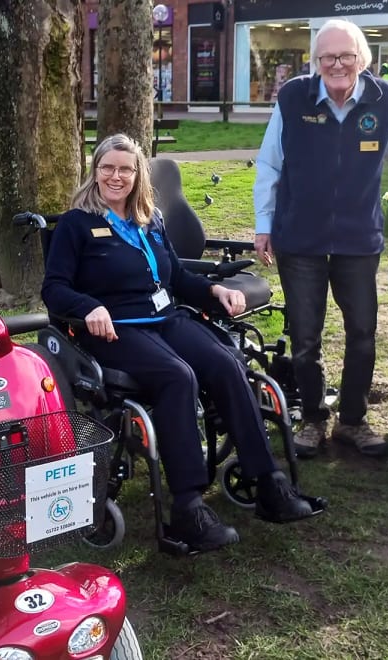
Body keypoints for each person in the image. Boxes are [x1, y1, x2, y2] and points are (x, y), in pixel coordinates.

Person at [42, 134, 318, 553]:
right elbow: (54, 288)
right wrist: (88, 307)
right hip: (115, 328)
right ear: (94, 171)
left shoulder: (150, 220)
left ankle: (269, 484)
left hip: (165, 319)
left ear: (138, 176)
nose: (116, 176)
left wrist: (213, 292)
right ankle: (187, 507)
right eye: (107, 168)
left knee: (228, 364)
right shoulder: (76, 224)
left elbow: (176, 279)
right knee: (177, 376)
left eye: (125, 169)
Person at [252, 19, 388, 460]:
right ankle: (313, 418)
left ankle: (353, 420)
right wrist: (263, 223)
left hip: (358, 239)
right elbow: (269, 163)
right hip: (300, 238)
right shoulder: (294, 97)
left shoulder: (384, 100)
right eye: (327, 57)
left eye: (346, 56)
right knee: (306, 336)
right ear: (316, 62)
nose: (336, 64)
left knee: (362, 333)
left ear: (362, 60)